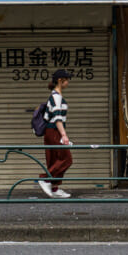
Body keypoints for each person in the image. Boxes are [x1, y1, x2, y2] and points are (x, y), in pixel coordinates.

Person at [37, 69, 73, 199]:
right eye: (66, 80)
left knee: (54, 160)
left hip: (52, 131)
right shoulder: (56, 97)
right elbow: (57, 118)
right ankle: (45, 179)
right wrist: (64, 135)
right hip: (54, 131)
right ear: (60, 81)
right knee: (66, 159)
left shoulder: (55, 96)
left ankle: (55, 188)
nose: (68, 82)